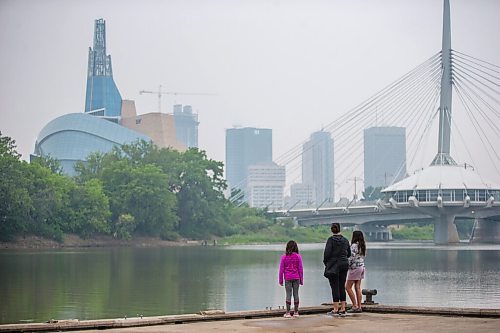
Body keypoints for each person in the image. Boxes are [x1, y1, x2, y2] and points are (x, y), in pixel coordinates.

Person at [323, 222, 351, 317]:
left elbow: (327, 254)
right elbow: (349, 253)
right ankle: (343, 308)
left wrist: (327, 263)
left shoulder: (330, 240)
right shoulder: (345, 240)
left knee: (334, 286)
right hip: (344, 264)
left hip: (333, 265)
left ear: (332, 230)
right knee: (342, 286)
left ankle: (335, 308)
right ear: (340, 229)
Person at [279, 240, 304, 318]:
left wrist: (280, 280)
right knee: (296, 294)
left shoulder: (284, 257)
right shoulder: (298, 256)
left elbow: (281, 270)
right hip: (296, 278)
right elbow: (300, 269)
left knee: (288, 295)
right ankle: (296, 312)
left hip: (288, 278)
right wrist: (301, 280)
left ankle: (288, 313)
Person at [346, 230, 366, 313]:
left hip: (355, 268)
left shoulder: (354, 245)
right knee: (357, 287)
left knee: (347, 287)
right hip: (361, 267)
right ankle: (359, 306)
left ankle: (354, 305)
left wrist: (346, 266)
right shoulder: (362, 245)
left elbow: (351, 258)